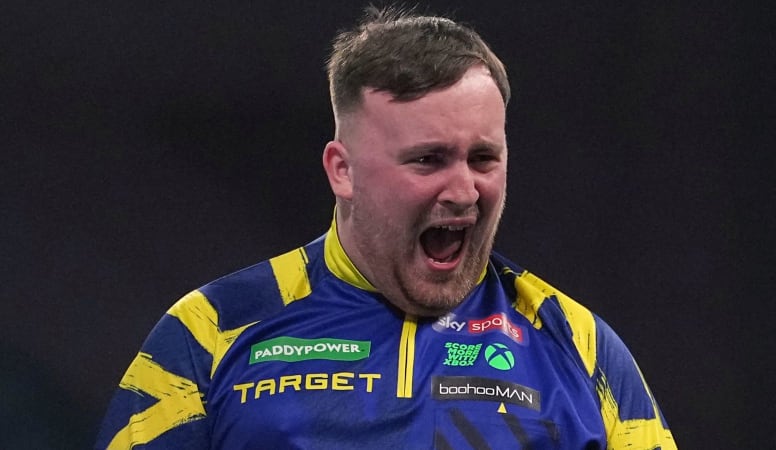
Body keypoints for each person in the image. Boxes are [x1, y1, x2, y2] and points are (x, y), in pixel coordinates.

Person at [96, 6, 676, 449]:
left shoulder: (580, 346)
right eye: (428, 159)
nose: (463, 190)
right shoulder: (208, 333)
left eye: (483, 159)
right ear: (342, 170)